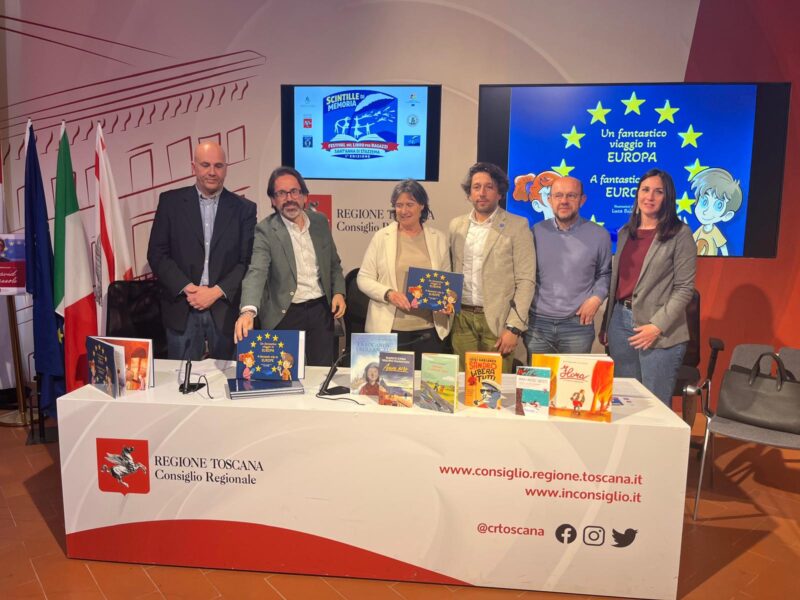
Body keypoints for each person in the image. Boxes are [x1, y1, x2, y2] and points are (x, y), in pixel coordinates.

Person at [148, 141, 257, 360]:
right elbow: (157, 254)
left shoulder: (244, 209)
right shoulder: (170, 202)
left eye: (218, 166)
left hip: (225, 310)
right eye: (205, 165)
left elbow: (247, 261)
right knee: (182, 380)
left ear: (226, 168)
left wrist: (214, 292)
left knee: (227, 378)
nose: (212, 172)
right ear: (194, 167)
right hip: (182, 308)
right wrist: (189, 289)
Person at [601, 168, 696, 407]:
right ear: (637, 194)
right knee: (626, 401)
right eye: (645, 190)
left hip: (658, 329)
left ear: (668, 197)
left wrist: (657, 326)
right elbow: (617, 282)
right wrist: (606, 324)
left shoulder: (680, 234)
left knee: (655, 405)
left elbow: (684, 288)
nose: (650, 197)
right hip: (619, 324)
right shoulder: (625, 233)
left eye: (658, 192)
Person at [235, 166, 346, 366]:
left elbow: (333, 264)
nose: (289, 198)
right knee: (284, 374)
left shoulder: (320, 222)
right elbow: (256, 272)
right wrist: (248, 311)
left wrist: (338, 292)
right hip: (285, 313)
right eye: (281, 193)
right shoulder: (265, 230)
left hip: (321, 310)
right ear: (273, 200)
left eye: (294, 191)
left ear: (304, 196)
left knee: (321, 372)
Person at [449, 162, 535, 372]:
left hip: (498, 322)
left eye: (489, 187)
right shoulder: (456, 225)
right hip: (461, 320)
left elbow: (526, 280)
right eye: (476, 187)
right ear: (469, 193)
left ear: (499, 193)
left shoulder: (518, 225)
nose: (482, 193)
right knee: (463, 383)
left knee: (493, 387)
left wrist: (514, 327)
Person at [357, 179, 451, 368]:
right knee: (390, 386)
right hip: (389, 331)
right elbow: (363, 278)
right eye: (399, 205)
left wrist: (445, 302)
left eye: (410, 204)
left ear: (422, 206)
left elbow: (446, 283)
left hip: (428, 332)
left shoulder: (438, 239)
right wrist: (389, 294)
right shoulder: (381, 237)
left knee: (426, 386)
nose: (403, 210)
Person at [525, 176, 611, 356]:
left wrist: (596, 299)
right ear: (550, 200)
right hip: (538, 325)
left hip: (578, 325)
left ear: (582, 200)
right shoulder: (534, 233)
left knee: (574, 375)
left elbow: (605, 273)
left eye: (571, 196)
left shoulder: (600, 235)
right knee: (538, 375)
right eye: (558, 195)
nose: (564, 201)